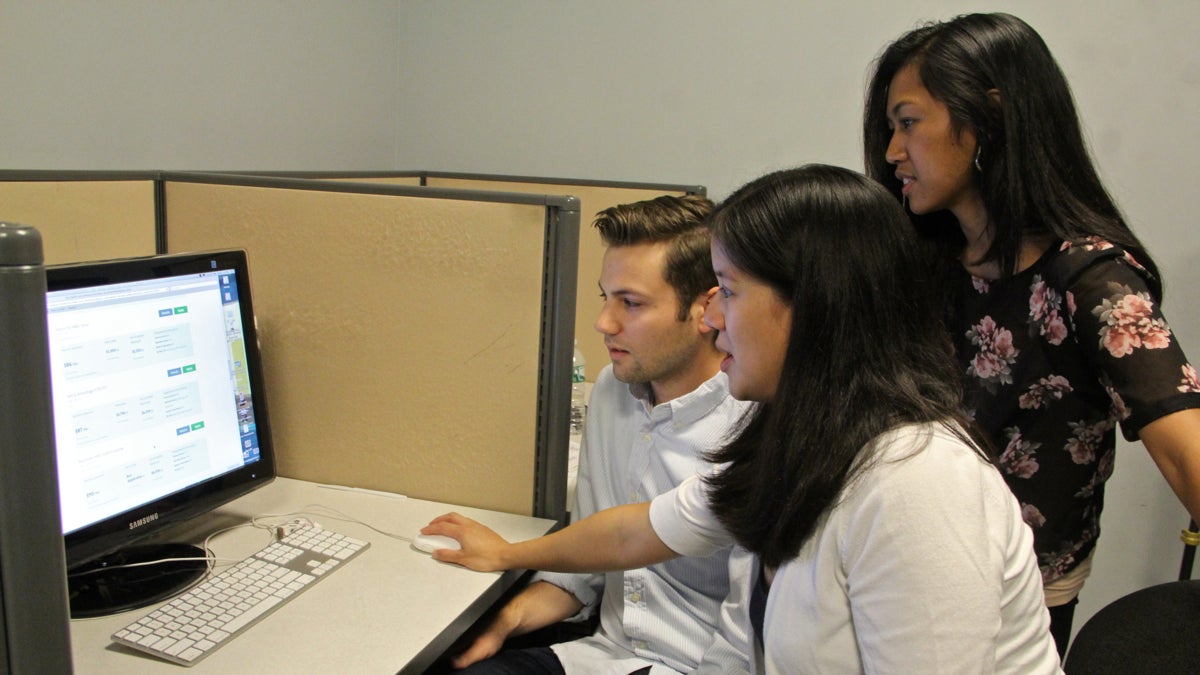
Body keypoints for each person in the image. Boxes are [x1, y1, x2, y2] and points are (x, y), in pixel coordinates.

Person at [426, 165, 1063, 674]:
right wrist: (508, 556)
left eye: (728, 292)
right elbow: (636, 533)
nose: (710, 320)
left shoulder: (917, 483)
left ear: (809, 307)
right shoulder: (799, 438)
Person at [862, 12, 1200, 655]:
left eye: (908, 123)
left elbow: (1188, 450)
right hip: (898, 565)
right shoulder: (922, 262)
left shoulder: (1090, 278)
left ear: (988, 119)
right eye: (890, 128)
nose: (892, 153)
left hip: (1015, 600)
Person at [450, 194, 753, 674]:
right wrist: (504, 620)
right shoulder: (614, 390)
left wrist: (506, 554)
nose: (603, 323)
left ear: (706, 309)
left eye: (630, 303)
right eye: (604, 297)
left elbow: (749, 638)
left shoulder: (754, 423)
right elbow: (585, 573)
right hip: (601, 656)